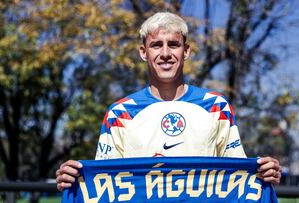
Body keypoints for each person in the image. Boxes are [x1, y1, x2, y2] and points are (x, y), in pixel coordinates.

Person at [56, 12, 281, 192]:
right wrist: (74, 178)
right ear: (144, 53)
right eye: (156, 45)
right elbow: (102, 184)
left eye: (173, 45)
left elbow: (238, 175)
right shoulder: (120, 112)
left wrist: (264, 172)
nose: (165, 53)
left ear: (186, 51)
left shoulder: (216, 106)